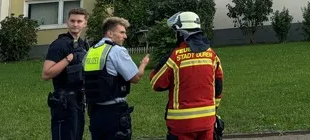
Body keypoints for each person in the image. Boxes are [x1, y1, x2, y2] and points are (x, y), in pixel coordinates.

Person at [149, 11, 224, 140]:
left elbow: (156, 83)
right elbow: (218, 87)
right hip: (207, 120)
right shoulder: (212, 55)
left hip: (181, 123)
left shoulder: (175, 56)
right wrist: (213, 109)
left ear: (181, 33)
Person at [83, 17, 150, 140]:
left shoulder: (91, 51)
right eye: (122, 32)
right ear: (110, 33)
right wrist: (143, 64)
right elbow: (135, 77)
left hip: (94, 112)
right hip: (114, 112)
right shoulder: (116, 50)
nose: (125, 37)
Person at [41, 8, 90, 140]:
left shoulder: (83, 45)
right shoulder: (59, 45)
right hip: (64, 101)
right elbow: (46, 74)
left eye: (79, 21)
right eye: (72, 21)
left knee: (76, 135)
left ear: (85, 24)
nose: (75, 24)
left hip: (79, 100)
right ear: (67, 22)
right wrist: (68, 59)